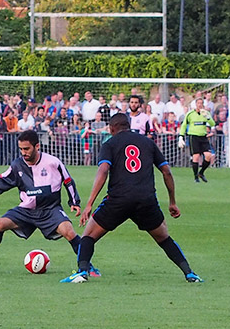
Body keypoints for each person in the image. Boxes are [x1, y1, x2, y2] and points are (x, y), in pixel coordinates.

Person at [61, 113, 203, 284]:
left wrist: (89, 203)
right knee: (164, 237)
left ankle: (82, 272)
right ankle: (189, 273)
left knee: (88, 236)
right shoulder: (148, 142)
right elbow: (166, 171)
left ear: (112, 128)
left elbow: (103, 170)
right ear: (128, 126)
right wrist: (172, 201)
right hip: (146, 200)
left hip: (118, 200)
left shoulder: (110, 144)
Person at [0, 130, 100, 277]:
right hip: (26, 211)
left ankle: (87, 266)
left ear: (37, 146)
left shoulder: (53, 162)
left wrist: (74, 202)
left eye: (26, 149)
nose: (23, 153)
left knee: (69, 231)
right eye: (21, 149)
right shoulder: (17, 165)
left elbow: (68, 180)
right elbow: (3, 178)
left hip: (50, 210)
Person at [178, 98, 216, 182]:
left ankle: (201, 172)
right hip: (194, 137)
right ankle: (195, 177)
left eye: (201, 103)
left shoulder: (206, 113)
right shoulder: (190, 114)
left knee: (208, 155)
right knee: (196, 156)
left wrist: (207, 117)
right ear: (196, 104)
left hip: (203, 136)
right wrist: (181, 136)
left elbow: (212, 124)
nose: (200, 104)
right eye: (198, 103)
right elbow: (184, 125)